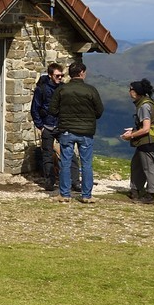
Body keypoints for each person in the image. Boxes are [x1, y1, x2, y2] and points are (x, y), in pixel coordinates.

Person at [52, 61, 104, 204]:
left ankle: (64, 194)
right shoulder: (91, 90)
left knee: (66, 162)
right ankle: (86, 195)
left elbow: (53, 110)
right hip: (86, 132)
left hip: (67, 131)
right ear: (82, 73)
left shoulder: (62, 90)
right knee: (86, 164)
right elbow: (99, 111)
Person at [121, 78, 154, 205]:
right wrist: (133, 129)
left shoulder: (144, 106)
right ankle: (135, 190)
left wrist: (131, 135)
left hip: (147, 142)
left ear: (136, 91)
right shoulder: (145, 104)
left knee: (149, 168)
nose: (129, 92)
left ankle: (150, 195)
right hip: (144, 142)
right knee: (137, 165)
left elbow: (146, 128)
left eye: (131, 89)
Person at [29, 62, 63, 191]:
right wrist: (40, 125)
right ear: (50, 75)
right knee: (47, 155)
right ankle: (49, 181)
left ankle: (72, 180)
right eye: (57, 75)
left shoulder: (63, 88)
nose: (60, 78)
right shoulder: (41, 89)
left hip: (61, 125)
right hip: (48, 126)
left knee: (68, 153)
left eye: (61, 75)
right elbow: (35, 108)